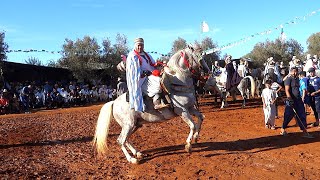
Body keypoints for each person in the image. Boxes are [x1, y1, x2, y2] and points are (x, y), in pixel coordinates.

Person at [126, 37, 168, 112]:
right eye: (138, 45)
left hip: (150, 75)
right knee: (158, 81)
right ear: (135, 45)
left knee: (164, 78)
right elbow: (133, 71)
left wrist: (158, 65)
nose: (140, 47)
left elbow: (152, 64)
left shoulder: (146, 55)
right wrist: (144, 73)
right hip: (139, 79)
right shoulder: (132, 56)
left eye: (142, 45)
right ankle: (156, 103)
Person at [280, 67, 312, 138]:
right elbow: (287, 90)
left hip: (298, 100)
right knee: (288, 115)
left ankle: (304, 131)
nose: (295, 73)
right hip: (291, 100)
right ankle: (283, 129)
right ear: (290, 72)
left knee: (302, 114)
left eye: (296, 72)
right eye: (293, 72)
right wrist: (289, 99)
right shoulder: (288, 79)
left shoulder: (298, 79)